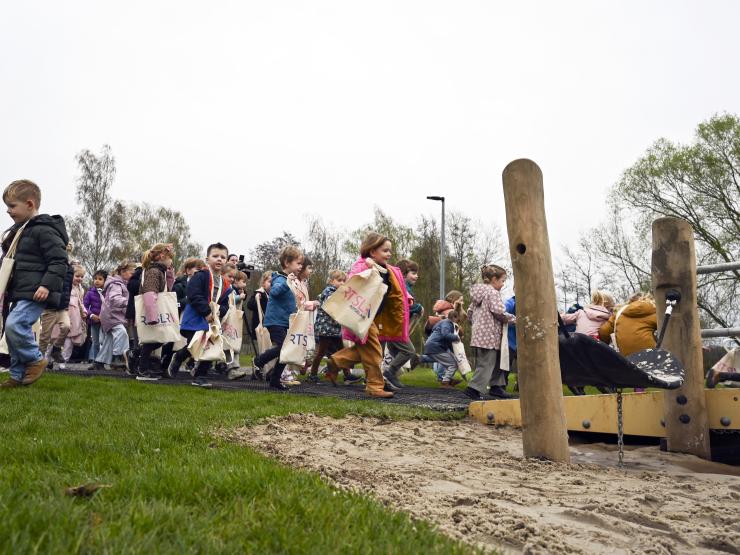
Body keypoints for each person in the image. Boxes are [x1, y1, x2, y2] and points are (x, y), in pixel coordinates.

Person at [0, 180, 68, 388]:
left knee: (15, 326)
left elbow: (59, 260)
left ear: (29, 204)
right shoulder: (21, 231)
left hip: (36, 291)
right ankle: (18, 375)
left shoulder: (43, 230)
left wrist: (46, 285)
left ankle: (35, 359)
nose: (8, 211)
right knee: (11, 334)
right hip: (21, 291)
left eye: (12, 206)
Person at [327, 233, 411, 399]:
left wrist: (407, 297)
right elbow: (353, 278)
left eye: (390, 251)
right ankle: (374, 386)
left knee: (364, 351)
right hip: (362, 315)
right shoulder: (362, 264)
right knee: (374, 351)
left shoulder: (386, 270)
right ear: (372, 252)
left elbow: (396, 286)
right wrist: (366, 265)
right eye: (385, 251)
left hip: (374, 317)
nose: (389, 254)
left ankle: (336, 361)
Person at [167, 243, 232, 388]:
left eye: (222, 257)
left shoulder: (225, 283)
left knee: (210, 345)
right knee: (194, 345)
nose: (219, 259)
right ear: (207, 258)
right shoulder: (201, 275)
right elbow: (193, 294)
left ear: (226, 261)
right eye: (215, 256)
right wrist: (206, 311)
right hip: (196, 317)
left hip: (212, 321)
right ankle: (179, 356)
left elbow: (226, 302)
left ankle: (200, 375)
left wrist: (219, 312)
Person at [251, 245, 306, 391]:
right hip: (275, 320)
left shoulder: (290, 279)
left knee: (286, 351)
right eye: (298, 263)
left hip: (285, 321)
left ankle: (275, 380)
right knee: (284, 348)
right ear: (287, 263)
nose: (300, 266)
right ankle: (259, 360)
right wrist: (288, 282)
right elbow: (274, 292)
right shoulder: (279, 278)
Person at [464, 265, 516, 400]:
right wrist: (514, 319)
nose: (503, 284)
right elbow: (499, 312)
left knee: (497, 361)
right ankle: (473, 389)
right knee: (487, 363)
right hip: (490, 336)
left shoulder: (478, 295)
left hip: (480, 335)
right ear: (494, 279)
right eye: (502, 281)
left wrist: (476, 324)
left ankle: (497, 386)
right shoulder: (492, 293)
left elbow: (469, 313)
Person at [309, 270, 361, 385]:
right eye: (339, 280)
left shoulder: (339, 292)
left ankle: (347, 375)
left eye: (344, 281)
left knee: (342, 351)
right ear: (331, 281)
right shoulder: (329, 291)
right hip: (326, 328)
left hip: (335, 328)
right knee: (321, 352)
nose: (342, 283)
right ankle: (312, 374)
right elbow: (331, 306)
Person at [135, 243, 176, 382]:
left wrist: (169, 273)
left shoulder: (160, 271)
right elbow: (149, 293)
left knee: (159, 339)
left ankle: (135, 356)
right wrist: (152, 316)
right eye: (170, 258)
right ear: (162, 256)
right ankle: (142, 370)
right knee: (151, 341)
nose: (172, 261)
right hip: (152, 313)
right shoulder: (154, 272)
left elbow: (167, 289)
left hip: (156, 313)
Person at [382, 259, 421, 390]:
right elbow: (403, 305)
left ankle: (387, 377)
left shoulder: (405, 286)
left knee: (394, 351)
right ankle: (389, 373)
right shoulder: (402, 285)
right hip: (395, 325)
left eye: (417, 273)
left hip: (395, 324)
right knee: (408, 351)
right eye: (413, 273)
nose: (416, 276)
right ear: (404, 273)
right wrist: (417, 308)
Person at [91, 262, 135, 371]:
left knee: (109, 340)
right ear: (123, 272)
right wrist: (129, 302)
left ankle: (99, 362)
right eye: (131, 273)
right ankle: (118, 358)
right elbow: (114, 299)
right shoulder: (117, 284)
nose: (133, 275)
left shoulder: (121, 283)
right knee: (121, 333)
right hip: (112, 315)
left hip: (111, 315)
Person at [423, 310, 463, 388]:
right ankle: (445, 382)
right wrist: (456, 337)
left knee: (445, 360)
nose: (458, 321)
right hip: (436, 346)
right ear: (454, 317)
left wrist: (457, 354)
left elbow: (448, 343)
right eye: (458, 318)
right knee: (453, 364)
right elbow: (446, 334)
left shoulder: (444, 323)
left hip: (433, 346)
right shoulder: (447, 324)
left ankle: (419, 358)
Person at [61, 265, 88, 363]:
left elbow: (81, 302)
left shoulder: (80, 289)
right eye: (77, 276)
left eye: (82, 276)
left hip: (75, 317)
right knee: (55, 338)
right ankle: (47, 360)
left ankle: (63, 361)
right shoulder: (64, 286)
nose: (80, 278)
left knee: (69, 340)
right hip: (64, 314)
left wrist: (84, 311)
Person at [84, 270, 107, 363]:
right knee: (96, 342)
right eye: (95, 279)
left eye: (100, 279)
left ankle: (105, 360)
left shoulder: (108, 292)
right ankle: (96, 361)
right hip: (94, 321)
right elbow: (84, 306)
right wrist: (91, 315)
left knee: (105, 341)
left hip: (106, 321)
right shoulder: (90, 293)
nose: (97, 281)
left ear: (105, 281)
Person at [246, 271, 271, 342]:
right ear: (263, 283)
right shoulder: (259, 293)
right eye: (269, 281)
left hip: (270, 326)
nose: (271, 284)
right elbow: (249, 305)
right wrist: (257, 300)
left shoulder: (273, 295)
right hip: (260, 326)